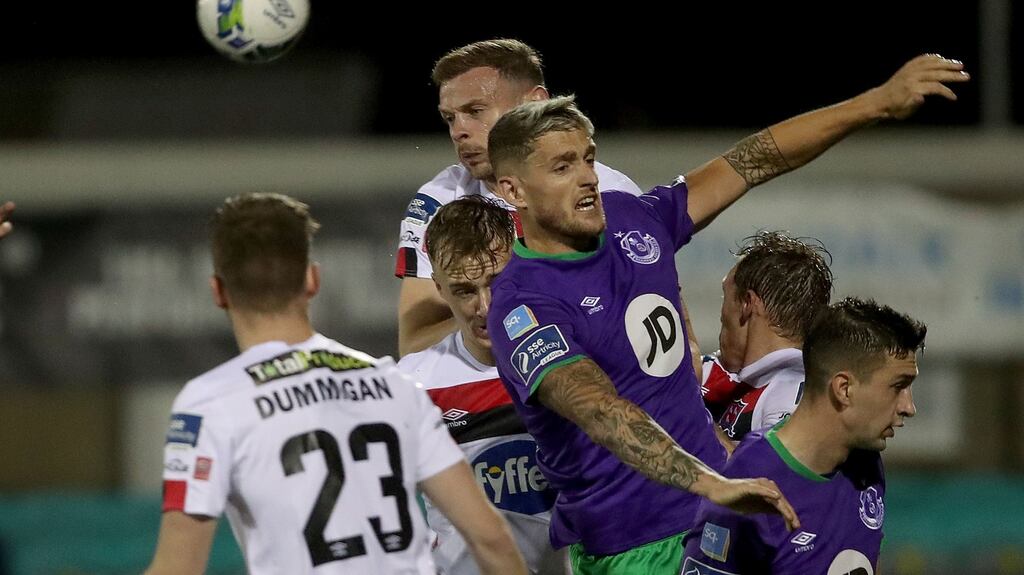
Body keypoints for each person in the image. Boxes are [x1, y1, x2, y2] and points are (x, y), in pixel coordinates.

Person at [485, 53, 966, 574]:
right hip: (636, 546)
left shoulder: (632, 220)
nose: (587, 178)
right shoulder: (522, 305)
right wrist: (712, 480)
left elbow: (751, 161)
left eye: (588, 158)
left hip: (726, 514)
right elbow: (601, 411)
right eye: (562, 166)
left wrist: (872, 104)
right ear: (512, 192)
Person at [145, 193, 526, 575]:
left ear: (218, 292)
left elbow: (177, 568)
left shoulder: (210, 403)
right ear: (313, 279)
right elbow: (490, 538)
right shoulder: (391, 384)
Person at [394, 39, 642, 357]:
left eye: (475, 111)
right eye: (450, 118)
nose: (459, 131)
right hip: (483, 394)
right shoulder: (438, 201)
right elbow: (414, 345)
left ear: (533, 104)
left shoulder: (608, 196)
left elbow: (639, 322)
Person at [682, 297, 926, 574]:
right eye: (898, 386)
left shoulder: (865, 464)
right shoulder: (749, 486)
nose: (909, 407)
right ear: (844, 389)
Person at [399, 196, 563, 574]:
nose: (486, 307)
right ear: (439, 289)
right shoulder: (414, 385)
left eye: (496, 282)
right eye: (464, 291)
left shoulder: (572, 357)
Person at [701, 231, 833, 441]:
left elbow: (766, 472)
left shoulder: (793, 397)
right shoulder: (711, 373)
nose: (722, 313)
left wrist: (688, 410)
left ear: (746, 303)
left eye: (726, 297)